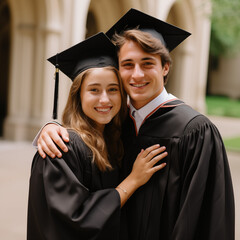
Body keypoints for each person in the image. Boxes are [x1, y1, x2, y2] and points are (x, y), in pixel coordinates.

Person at [34, 9, 235, 240]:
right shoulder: (116, 126)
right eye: (127, 64)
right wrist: (50, 127)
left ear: (165, 67)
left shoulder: (195, 132)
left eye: (147, 63)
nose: (137, 74)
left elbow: (205, 220)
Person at [27, 32, 168, 240]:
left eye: (113, 89)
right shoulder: (62, 148)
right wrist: (132, 181)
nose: (104, 99)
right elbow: (74, 220)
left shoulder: (116, 140)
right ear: (78, 96)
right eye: (94, 90)